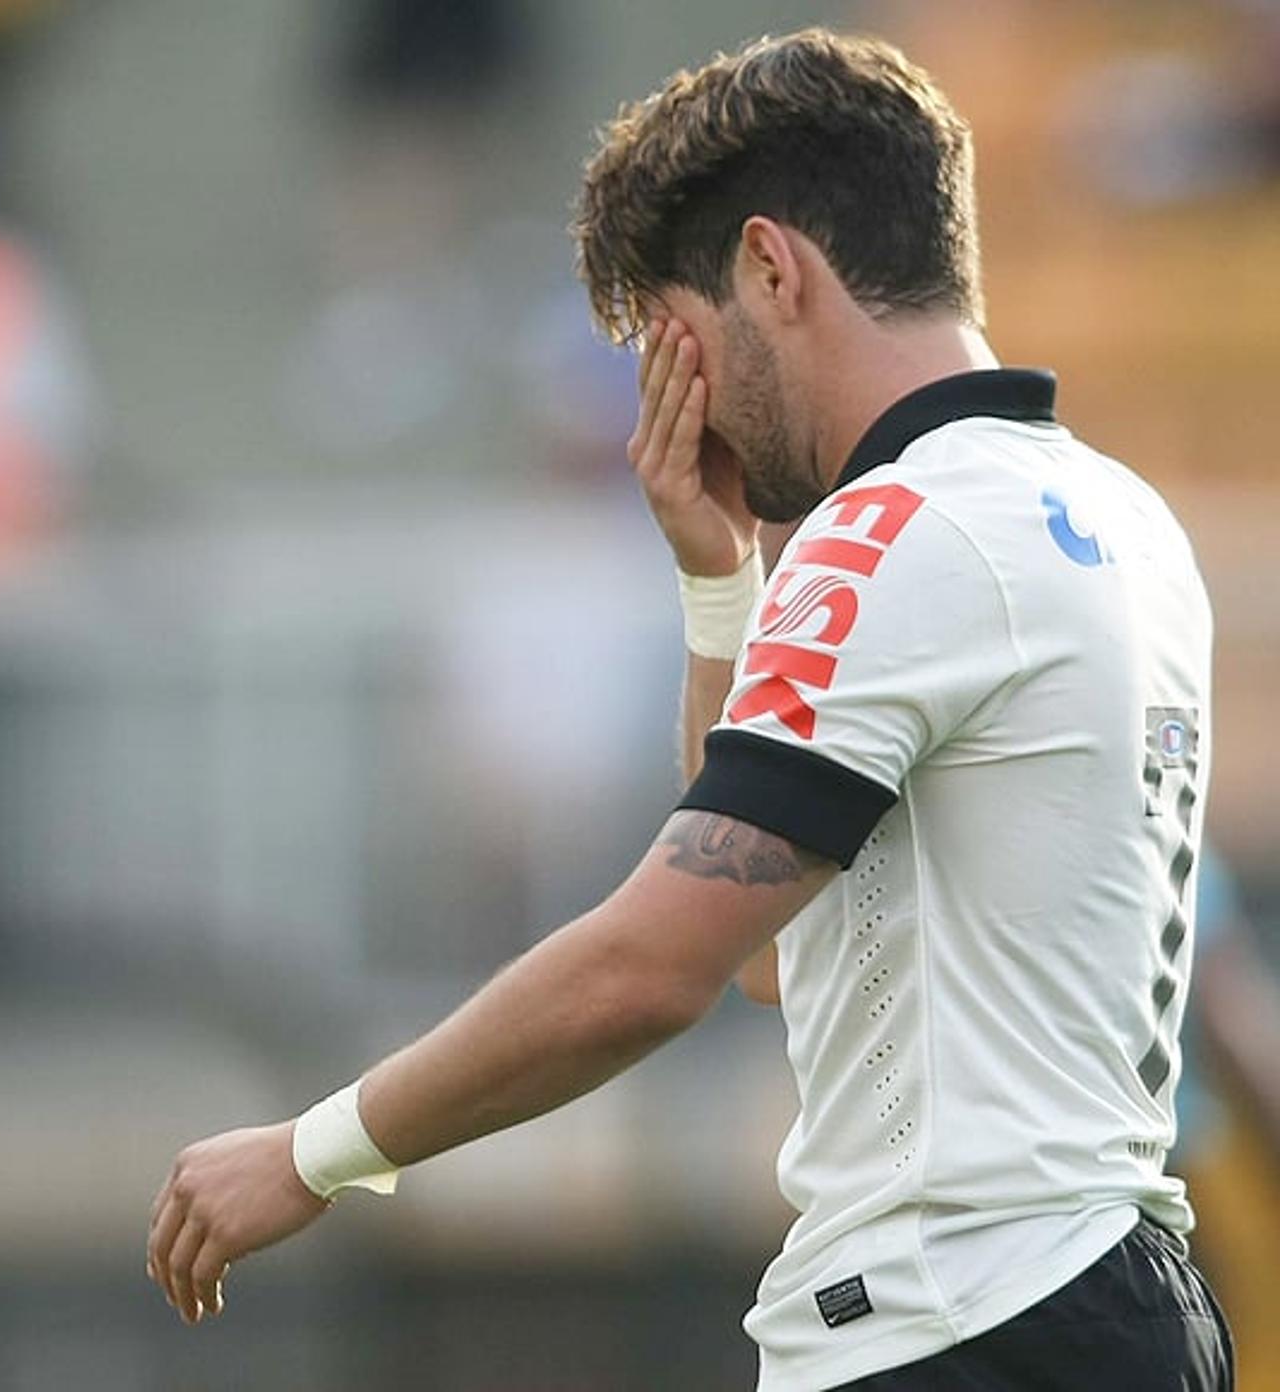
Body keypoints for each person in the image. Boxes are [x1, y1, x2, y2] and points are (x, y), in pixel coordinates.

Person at [146, 28, 1234, 1390]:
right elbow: (772, 958)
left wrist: (319, 1150)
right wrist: (724, 590)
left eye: (680, 340)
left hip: (958, 1326)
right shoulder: (1116, 517)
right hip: (1100, 1300)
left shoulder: (900, 535)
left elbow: (650, 966)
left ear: (774, 270)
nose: (681, 399)